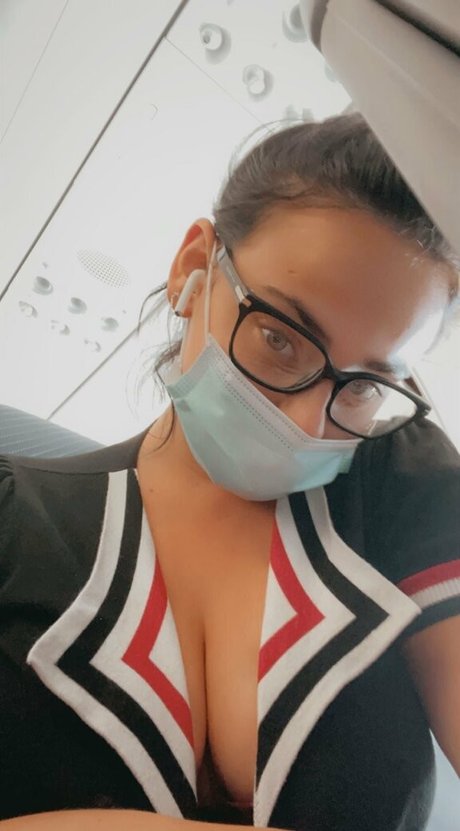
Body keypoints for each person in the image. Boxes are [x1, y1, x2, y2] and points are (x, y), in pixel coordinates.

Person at [0, 113, 459, 831]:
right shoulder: (12, 516)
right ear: (194, 267)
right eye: (278, 337)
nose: (307, 421)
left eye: (364, 386)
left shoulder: (401, 479)